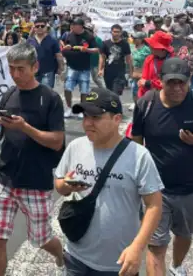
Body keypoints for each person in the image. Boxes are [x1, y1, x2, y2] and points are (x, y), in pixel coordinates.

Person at [131, 58, 193, 276]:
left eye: (181, 83)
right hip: (155, 190)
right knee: (155, 246)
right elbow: (136, 139)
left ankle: (176, 265)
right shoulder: (146, 105)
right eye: (171, 83)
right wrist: (137, 174)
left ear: (190, 81)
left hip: (190, 188)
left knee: (184, 234)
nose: (177, 88)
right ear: (160, 81)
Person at [55, 87, 163, 276]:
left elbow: (154, 205)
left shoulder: (139, 156)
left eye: (96, 117)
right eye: (85, 116)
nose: (88, 123)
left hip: (119, 263)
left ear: (117, 119)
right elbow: (59, 185)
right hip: (76, 257)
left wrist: (137, 248)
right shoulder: (75, 147)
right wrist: (65, 184)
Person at [0, 43, 66, 275]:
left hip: (36, 181)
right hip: (4, 178)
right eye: (11, 69)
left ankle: (61, 254)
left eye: (21, 69)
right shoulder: (8, 94)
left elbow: (57, 141)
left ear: (35, 67)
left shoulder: (50, 99)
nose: (16, 75)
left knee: (41, 238)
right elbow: (0, 136)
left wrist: (26, 127)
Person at [61, 18, 99, 118]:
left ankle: (82, 109)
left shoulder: (88, 36)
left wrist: (86, 50)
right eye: (72, 25)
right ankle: (69, 108)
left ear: (81, 26)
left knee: (84, 90)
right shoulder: (68, 35)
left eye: (74, 25)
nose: (72, 27)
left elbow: (96, 49)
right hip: (71, 66)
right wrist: (65, 48)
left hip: (84, 67)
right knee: (67, 88)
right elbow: (62, 48)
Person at [28, 17, 64, 88]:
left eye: (42, 26)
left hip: (48, 71)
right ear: (34, 28)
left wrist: (60, 68)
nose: (40, 28)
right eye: (37, 26)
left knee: (46, 93)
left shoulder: (53, 40)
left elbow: (58, 55)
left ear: (46, 27)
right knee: (34, 93)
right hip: (33, 72)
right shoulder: (30, 41)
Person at [98, 24, 133, 96]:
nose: (116, 33)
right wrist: (100, 69)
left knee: (116, 93)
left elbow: (128, 58)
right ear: (111, 32)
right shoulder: (105, 43)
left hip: (120, 72)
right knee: (109, 92)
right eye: (114, 31)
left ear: (121, 33)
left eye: (118, 32)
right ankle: (112, 107)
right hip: (108, 72)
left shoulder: (125, 44)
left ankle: (116, 106)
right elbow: (102, 57)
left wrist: (130, 72)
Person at [138, 31, 174, 99]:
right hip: (151, 96)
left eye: (153, 45)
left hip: (168, 97)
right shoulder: (149, 59)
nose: (150, 46)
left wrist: (150, 83)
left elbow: (170, 83)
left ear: (162, 49)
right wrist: (142, 99)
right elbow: (143, 80)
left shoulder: (172, 62)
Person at [130, 32, 151, 106]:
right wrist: (130, 73)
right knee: (134, 91)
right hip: (133, 73)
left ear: (142, 39)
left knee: (142, 91)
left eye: (136, 38)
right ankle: (136, 105)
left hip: (143, 74)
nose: (134, 39)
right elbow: (129, 61)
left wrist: (143, 74)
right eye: (133, 38)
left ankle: (142, 106)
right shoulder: (131, 47)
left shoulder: (147, 49)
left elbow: (150, 62)